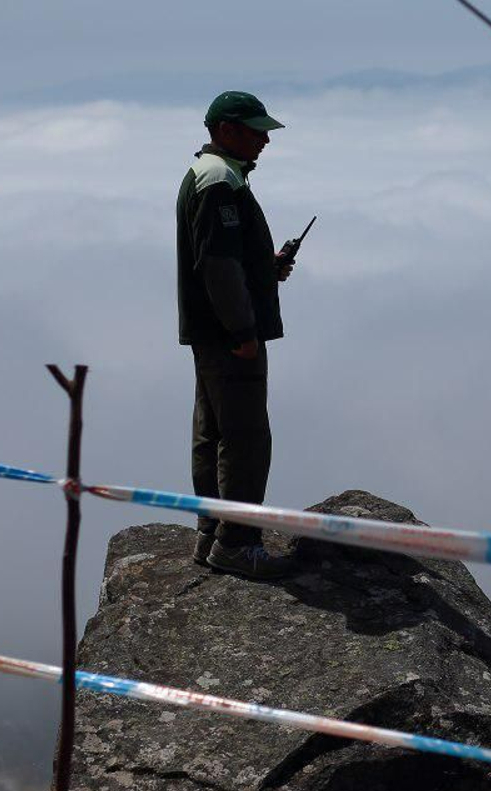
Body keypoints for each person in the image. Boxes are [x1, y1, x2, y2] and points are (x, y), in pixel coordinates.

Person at [176, 90, 294, 578]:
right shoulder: (221, 182)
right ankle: (237, 544)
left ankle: (211, 533)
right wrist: (244, 330)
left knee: (213, 431)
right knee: (245, 439)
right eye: (254, 129)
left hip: (210, 334)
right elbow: (219, 267)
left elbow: (221, 258)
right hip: (229, 336)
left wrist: (264, 270)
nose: (265, 138)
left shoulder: (207, 175)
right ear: (226, 131)